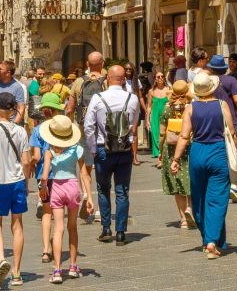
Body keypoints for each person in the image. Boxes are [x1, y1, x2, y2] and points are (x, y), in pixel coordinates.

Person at [170, 72, 233, 258]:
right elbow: (231, 133)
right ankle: (212, 241)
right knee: (217, 198)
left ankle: (208, 239)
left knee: (199, 198)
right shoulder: (222, 105)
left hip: (197, 153)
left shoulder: (190, 108)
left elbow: (184, 136)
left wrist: (175, 159)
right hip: (218, 152)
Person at [83, 64, 140, 245]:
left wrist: (93, 149)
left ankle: (106, 228)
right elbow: (134, 124)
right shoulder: (132, 99)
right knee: (122, 191)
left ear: (107, 79)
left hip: (103, 148)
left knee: (103, 188)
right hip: (125, 150)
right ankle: (121, 232)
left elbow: (88, 126)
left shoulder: (98, 98)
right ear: (124, 80)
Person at [0, 90, 30, 288]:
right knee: (17, 225)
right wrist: (26, 184)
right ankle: (17, 273)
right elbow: (26, 161)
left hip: (0, 182)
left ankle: (1, 259)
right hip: (17, 181)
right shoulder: (21, 131)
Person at [39, 114, 85, 283]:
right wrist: (88, 195)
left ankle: (57, 270)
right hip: (72, 186)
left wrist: (43, 188)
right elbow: (84, 174)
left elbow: (45, 176)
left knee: (58, 229)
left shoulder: (49, 151)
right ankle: (73, 266)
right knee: (72, 227)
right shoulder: (77, 149)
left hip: (57, 188)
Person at [67, 52, 107, 223]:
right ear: (102, 63)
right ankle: (99, 209)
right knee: (103, 169)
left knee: (85, 167)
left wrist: (69, 127)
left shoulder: (78, 82)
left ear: (87, 64)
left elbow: (70, 108)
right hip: (103, 132)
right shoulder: (107, 81)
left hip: (84, 130)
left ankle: (87, 195)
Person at [207, 55, 237, 204]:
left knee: (217, 152)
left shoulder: (207, 81)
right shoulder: (231, 80)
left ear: (211, 68)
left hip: (211, 120)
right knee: (233, 150)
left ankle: (219, 186)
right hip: (229, 120)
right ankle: (234, 186)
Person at [30, 92, 63, 262]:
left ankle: (46, 250)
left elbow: (36, 157)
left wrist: (30, 163)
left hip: (44, 175)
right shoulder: (63, 128)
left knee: (46, 211)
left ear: (43, 111)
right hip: (62, 174)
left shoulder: (37, 130)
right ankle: (57, 244)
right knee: (58, 212)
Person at [159, 80, 194, 228]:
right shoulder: (191, 108)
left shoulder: (167, 109)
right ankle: (190, 208)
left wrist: (160, 151)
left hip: (171, 149)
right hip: (188, 146)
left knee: (177, 183)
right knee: (190, 179)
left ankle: (183, 220)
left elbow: (162, 133)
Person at [0, 59, 26, 125]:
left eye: (0, 69)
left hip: (9, 125)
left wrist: (14, 125)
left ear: (8, 73)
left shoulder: (17, 87)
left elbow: (21, 108)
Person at [146, 71, 171, 163]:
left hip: (166, 116)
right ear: (155, 79)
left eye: (162, 76)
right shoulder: (151, 91)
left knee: (165, 135)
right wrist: (147, 120)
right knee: (156, 136)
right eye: (158, 77)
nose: (160, 78)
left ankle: (164, 156)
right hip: (155, 116)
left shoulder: (169, 90)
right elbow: (149, 107)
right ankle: (159, 159)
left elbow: (171, 103)